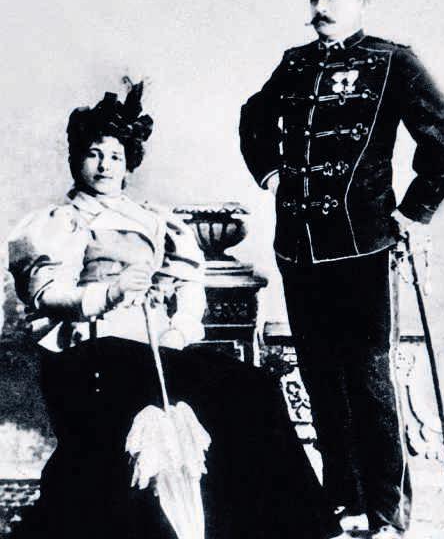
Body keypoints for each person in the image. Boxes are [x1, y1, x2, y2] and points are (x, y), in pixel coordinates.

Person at [8, 81, 340, 539]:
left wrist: (179, 330)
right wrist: (109, 293)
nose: (104, 166)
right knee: (144, 397)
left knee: (252, 385)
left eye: (115, 156)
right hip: (89, 349)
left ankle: (277, 526)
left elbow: (187, 282)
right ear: (76, 160)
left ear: (128, 164)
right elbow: (46, 294)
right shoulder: (60, 221)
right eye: (93, 154)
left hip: (151, 344)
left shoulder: (152, 219)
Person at [239, 0, 444, 538]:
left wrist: (413, 212)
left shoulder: (394, 62)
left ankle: (386, 513)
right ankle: (345, 504)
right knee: (321, 378)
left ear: (363, 1)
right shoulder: (294, 64)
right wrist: (272, 173)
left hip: (364, 247)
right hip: (298, 249)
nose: (320, 7)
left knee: (368, 379)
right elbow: (253, 118)